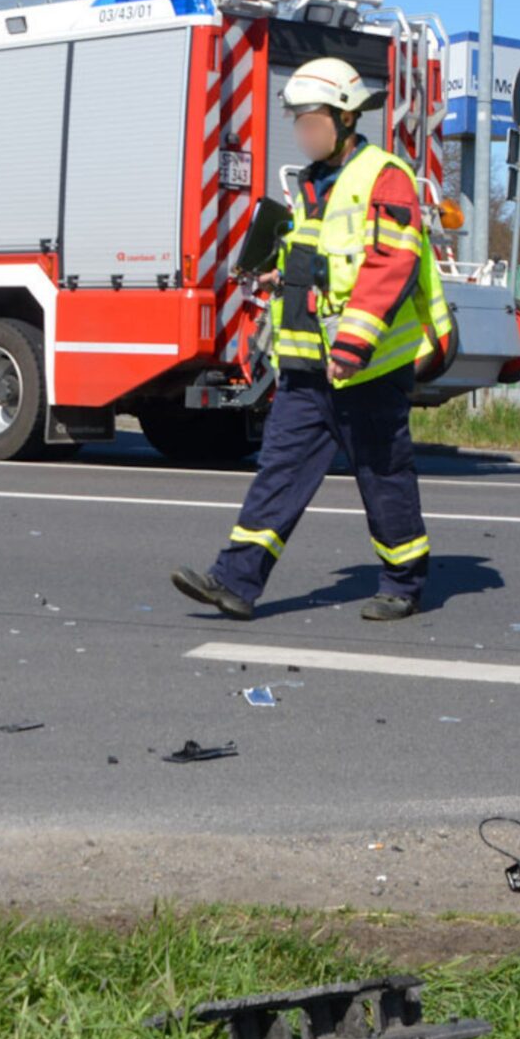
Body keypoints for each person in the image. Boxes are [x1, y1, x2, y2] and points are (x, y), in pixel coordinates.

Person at [172, 56, 455, 622]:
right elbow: (323, 258)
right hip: (308, 366)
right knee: (279, 470)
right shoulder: (311, 184)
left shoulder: (385, 175)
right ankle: (235, 581)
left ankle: (403, 583)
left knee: (383, 476)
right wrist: (283, 275)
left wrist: (353, 346)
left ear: (346, 118)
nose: (301, 130)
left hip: (367, 367)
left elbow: (390, 266)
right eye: (296, 118)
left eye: (311, 118)